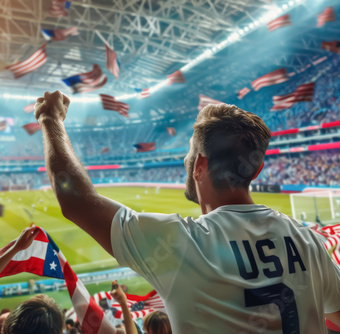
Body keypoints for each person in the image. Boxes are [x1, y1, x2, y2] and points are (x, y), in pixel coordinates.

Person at [34, 91, 340, 332]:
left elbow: (76, 200)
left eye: (189, 155)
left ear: (200, 166)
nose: (185, 162)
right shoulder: (309, 242)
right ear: (257, 169)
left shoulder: (180, 244)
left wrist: (50, 118)